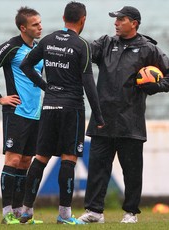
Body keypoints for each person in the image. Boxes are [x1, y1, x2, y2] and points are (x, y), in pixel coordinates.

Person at [78, 6, 169, 224]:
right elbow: (84, 52)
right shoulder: (105, 43)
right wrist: (68, 40)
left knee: (132, 171)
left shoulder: (148, 49)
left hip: (130, 120)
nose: (116, 23)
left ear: (134, 23)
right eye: (115, 19)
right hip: (102, 119)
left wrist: (156, 86)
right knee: (97, 169)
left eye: (121, 19)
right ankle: (94, 212)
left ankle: (130, 213)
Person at [19, 1, 105, 225]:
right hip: (71, 108)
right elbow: (89, 83)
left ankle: (26, 211)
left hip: (49, 106)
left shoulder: (47, 40)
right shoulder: (82, 45)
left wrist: (45, 86)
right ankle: (65, 215)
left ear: (63, 17)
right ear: (83, 19)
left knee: (41, 157)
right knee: (68, 158)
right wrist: (98, 115)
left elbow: (26, 65)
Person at [0, 7, 43, 225]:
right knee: (13, 160)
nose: (40, 27)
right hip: (16, 112)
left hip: (35, 113)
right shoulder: (12, 46)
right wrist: (0, 98)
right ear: (23, 28)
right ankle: (6, 214)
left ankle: (18, 211)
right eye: (35, 24)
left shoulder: (38, 49)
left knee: (25, 162)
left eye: (40, 23)